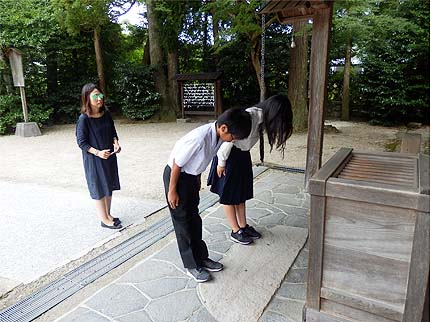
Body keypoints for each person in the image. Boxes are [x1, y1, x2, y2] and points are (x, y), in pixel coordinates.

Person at [163, 108, 252, 283]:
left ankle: (202, 258)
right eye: (233, 137)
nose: (233, 140)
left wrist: (197, 178)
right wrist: (172, 191)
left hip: (190, 177)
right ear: (224, 128)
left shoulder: (218, 136)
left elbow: (199, 161)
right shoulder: (199, 139)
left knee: (195, 219)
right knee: (183, 222)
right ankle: (191, 265)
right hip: (177, 178)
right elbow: (177, 164)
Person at [207, 94, 293, 245]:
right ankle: (235, 230)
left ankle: (243, 226)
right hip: (228, 157)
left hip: (242, 156)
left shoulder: (260, 119)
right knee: (228, 195)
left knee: (240, 195)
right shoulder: (250, 116)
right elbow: (229, 141)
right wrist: (221, 163)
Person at [76, 83, 122, 229]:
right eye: (95, 95)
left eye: (100, 95)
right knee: (99, 188)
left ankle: (108, 215)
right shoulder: (84, 119)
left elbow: (112, 131)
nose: (99, 98)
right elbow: (81, 143)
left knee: (109, 185)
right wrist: (98, 152)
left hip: (109, 156)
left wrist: (116, 143)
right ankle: (104, 219)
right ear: (87, 98)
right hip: (94, 159)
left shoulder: (106, 113)